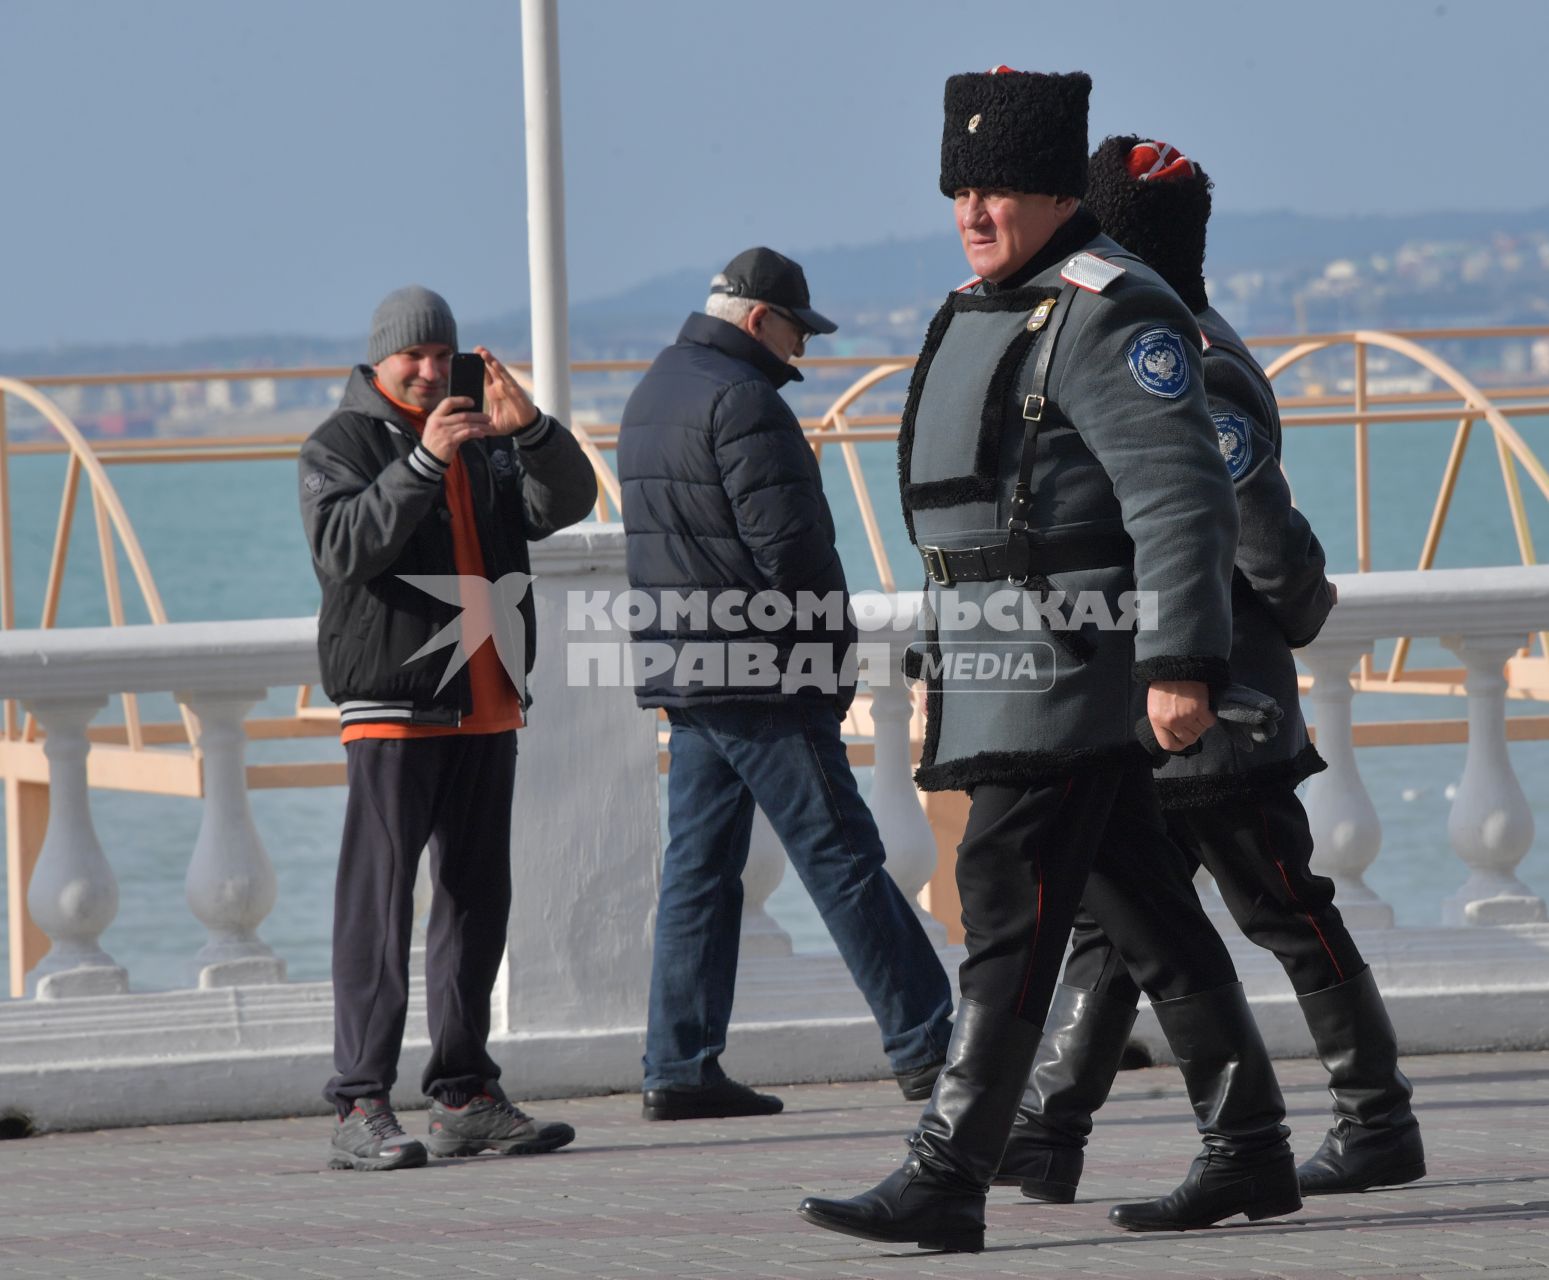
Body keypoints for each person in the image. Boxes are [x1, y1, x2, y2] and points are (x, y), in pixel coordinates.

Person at [796, 68, 1299, 1252]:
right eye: (960, 188)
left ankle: (948, 1168)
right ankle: (1251, 1145)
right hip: (998, 665)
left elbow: (1180, 500)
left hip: (1072, 671)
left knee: (1006, 903)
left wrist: (1181, 661)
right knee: (1149, 914)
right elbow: (973, 517)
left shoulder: (1109, 308)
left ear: (1056, 188)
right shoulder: (995, 302)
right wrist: (940, 661)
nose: (974, 210)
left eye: (1002, 187)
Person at [994, 137, 1425, 1204]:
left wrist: (1299, 608)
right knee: (1118, 915)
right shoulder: (1149, 334)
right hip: (1149, 693)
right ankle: (1049, 1130)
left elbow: (1258, 534)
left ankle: (1376, 1118)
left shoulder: (1184, 353)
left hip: (1215, 694)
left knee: (1278, 900)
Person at [617, 247, 955, 1121]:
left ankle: (679, 1065)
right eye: (796, 331)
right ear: (760, 318)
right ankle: (930, 1044)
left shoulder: (654, 390)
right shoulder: (745, 401)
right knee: (843, 858)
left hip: (691, 671)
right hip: (765, 677)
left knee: (697, 873)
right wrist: (826, 659)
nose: (799, 352)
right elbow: (792, 553)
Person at [299, 285, 597, 1170]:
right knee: (378, 909)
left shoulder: (482, 435)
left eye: (443, 356)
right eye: (412, 358)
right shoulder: (337, 444)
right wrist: (422, 464)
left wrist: (532, 430)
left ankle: (465, 1094)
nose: (430, 372)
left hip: (488, 699)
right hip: (394, 707)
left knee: (475, 906)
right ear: (378, 359)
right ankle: (358, 1103)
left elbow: (565, 504)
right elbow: (344, 547)